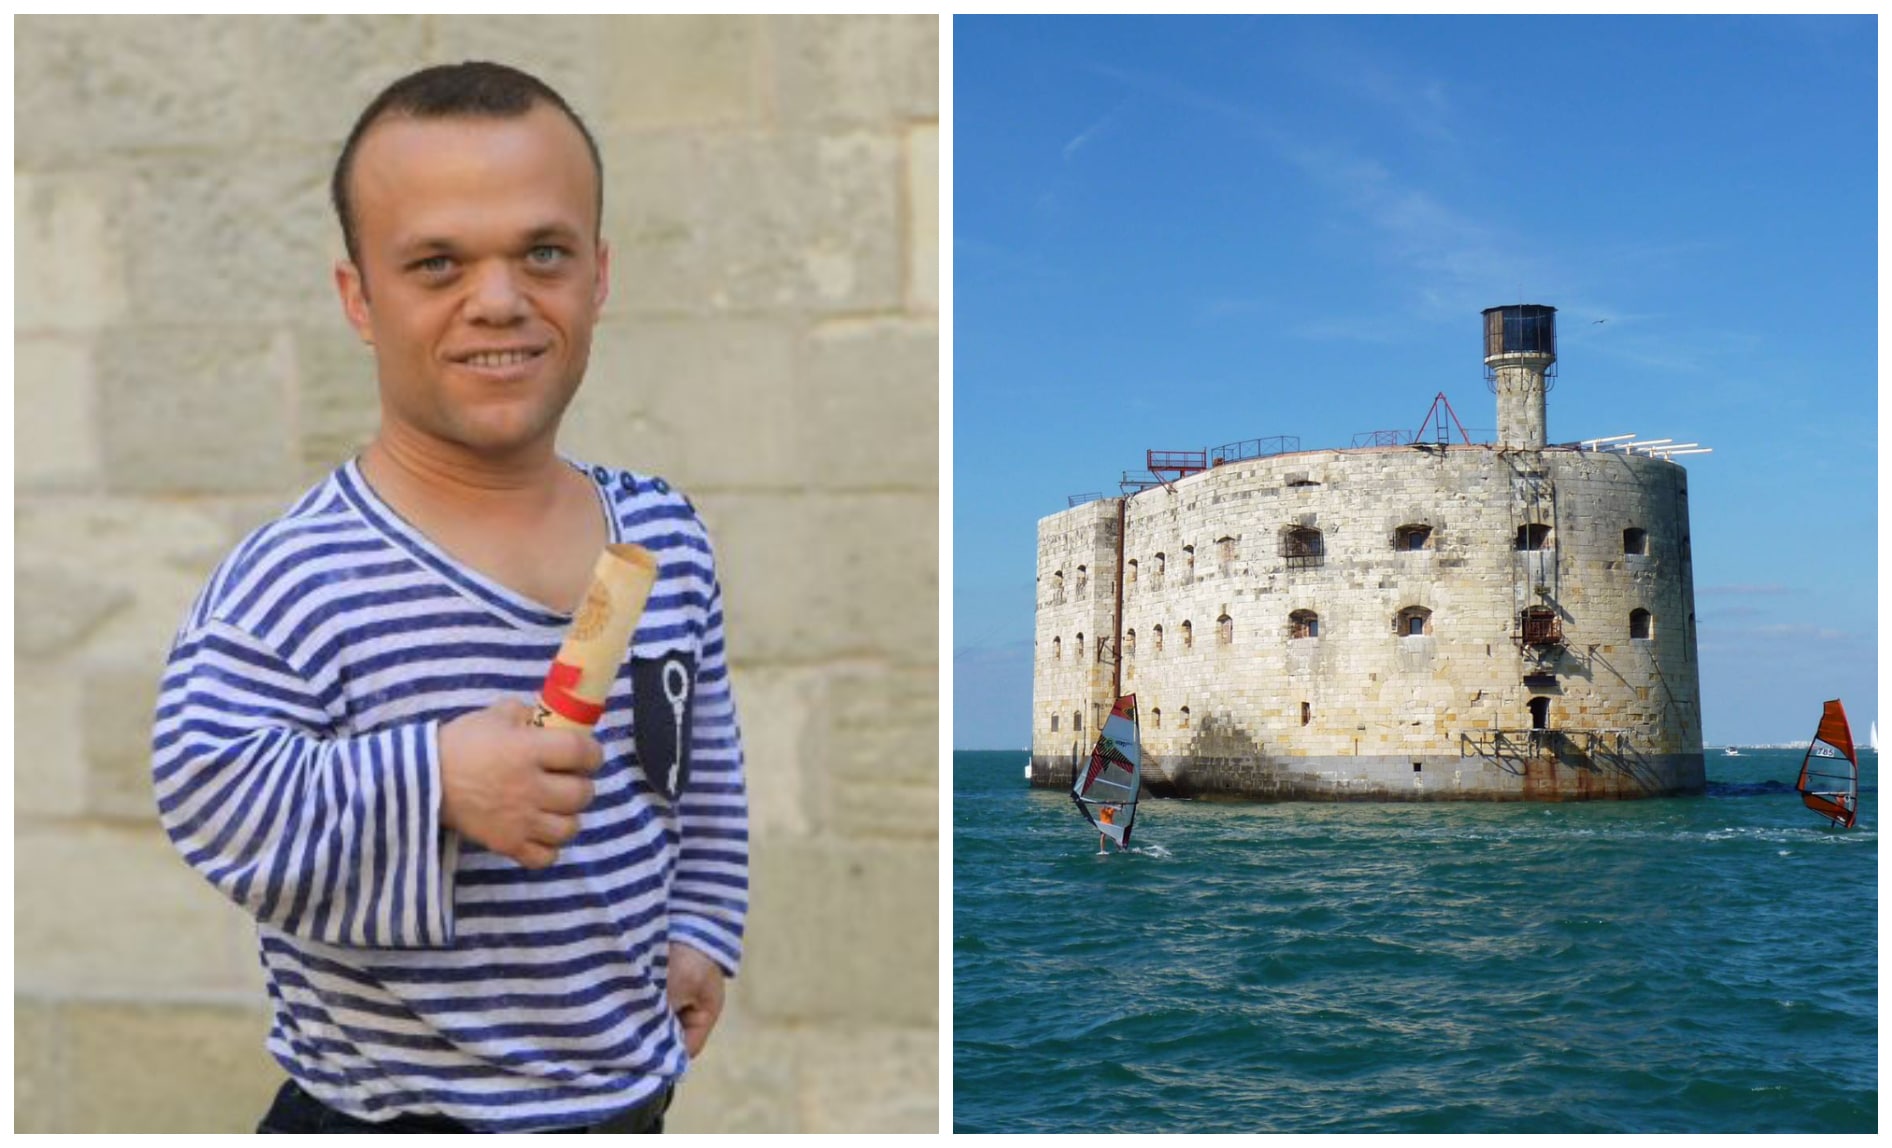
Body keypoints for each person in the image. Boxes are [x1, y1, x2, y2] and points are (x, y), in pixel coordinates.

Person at [150, 61, 748, 1134]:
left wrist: (701, 925)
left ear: (598, 275)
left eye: (544, 252)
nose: (500, 298)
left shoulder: (663, 536)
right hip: (389, 1112)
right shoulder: (299, 577)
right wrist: (436, 778)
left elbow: (696, 769)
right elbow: (209, 793)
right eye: (436, 263)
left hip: (627, 1100)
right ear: (359, 299)